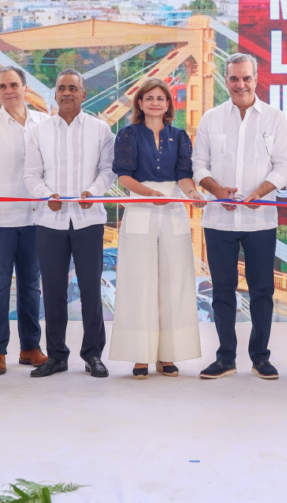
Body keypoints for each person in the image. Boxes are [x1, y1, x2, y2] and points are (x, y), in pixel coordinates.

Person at [193, 53, 287, 380]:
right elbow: (199, 166)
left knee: (262, 290)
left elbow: (282, 166)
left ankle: (261, 358)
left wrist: (260, 192)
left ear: (256, 79)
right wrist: (217, 190)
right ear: (225, 80)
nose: (240, 84)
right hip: (219, 220)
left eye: (246, 78)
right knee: (222, 289)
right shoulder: (210, 118)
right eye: (234, 78)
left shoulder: (275, 118)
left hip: (260, 220)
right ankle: (225, 358)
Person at [109, 78, 206, 379]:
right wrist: (149, 194)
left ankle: (168, 354)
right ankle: (140, 355)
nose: (154, 102)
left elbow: (183, 175)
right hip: (140, 205)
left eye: (160, 98)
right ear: (139, 103)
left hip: (173, 207)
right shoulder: (128, 134)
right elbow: (123, 176)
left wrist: (192, 195)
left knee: (174, 281)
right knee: (139, 280)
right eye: (148, 97)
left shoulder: (179, 136)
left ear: (167, 105)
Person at [23, 69, 115, 378]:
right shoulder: (39, 132)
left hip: (89, 219)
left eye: (73, 88)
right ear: (55, 94)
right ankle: (57, 356)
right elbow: (31, 175)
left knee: (91, 289)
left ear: (84, 95)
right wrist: (46, 194)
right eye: (61, 87)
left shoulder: (101, 129)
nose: (66, 93)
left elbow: (107, 170)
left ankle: (93, 355)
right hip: (50, 221)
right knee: (52, 291)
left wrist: (95, 191)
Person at [0, 66, 50, 376]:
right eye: (2, 86)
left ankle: (30, 348)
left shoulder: (45, 124)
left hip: (36, 219)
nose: (9, 90)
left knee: (31, 286)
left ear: (25, 88)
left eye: (14, 84)